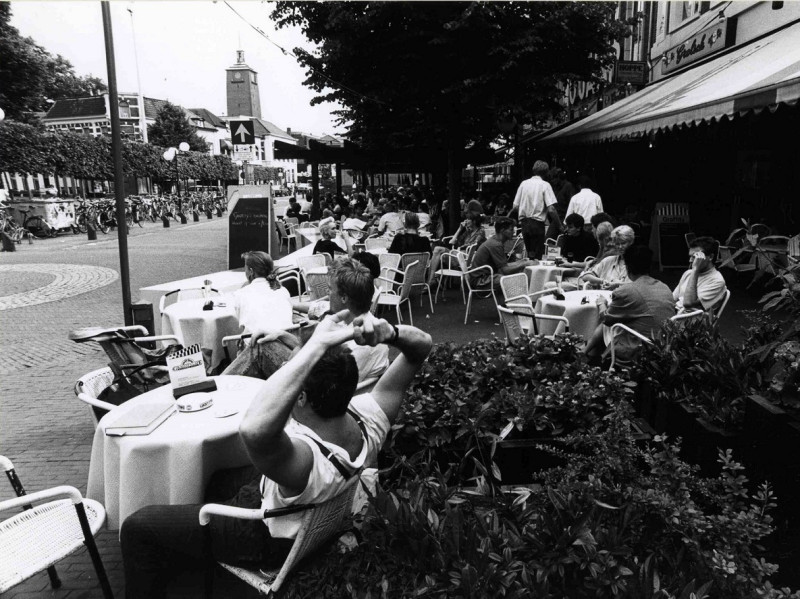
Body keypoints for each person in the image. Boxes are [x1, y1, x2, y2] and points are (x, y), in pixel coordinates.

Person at [121, 311, 433, 599]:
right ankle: (188, 551)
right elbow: (422, 345)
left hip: (261, 536)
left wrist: (313, 349)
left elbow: (254, 430)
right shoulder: (370, 416)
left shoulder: (305, 460)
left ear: (301, 397)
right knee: (217, 476)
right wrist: (389, 331)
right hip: (294, 508)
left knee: (137, 527)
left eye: (291, 372)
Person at [228, 257, 389, 388]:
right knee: (267, 340)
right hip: (314, 376)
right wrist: (282, 335)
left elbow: (321, 382)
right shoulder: (346, 323)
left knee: (261, 347)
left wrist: (289, 361)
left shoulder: (363, 339)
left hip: (312, 394)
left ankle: (216, 390)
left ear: (344, 297)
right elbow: (314, 348)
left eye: (330, 289)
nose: (327, 292)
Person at [584, 245, 675, 362]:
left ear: (627, 267)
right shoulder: (664, 286)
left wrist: (601, 302)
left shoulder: (626, 291)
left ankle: (587, 353)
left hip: (640, 348)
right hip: (665, 345)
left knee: (608, 322)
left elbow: (606, 319)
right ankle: (587, 352)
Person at [232, 251, 293, 335]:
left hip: (258, 344)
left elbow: (243, 327)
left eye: (245, 268)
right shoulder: (283, 290)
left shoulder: (241, 294)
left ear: (251, 271)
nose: (244, 271)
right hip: (287, 343)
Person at [511, 160, 563, 259]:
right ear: (546, 172)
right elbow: (551, 209)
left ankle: (530, 272)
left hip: (524, 223)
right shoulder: (545, 185)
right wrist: (559, 225)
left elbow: (515, 207)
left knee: (530, 253)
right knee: (537, 255)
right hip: (537, 224)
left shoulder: (523, 184)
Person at [471, 217, 536, 289]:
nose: (514, 232)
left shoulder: (495, 240)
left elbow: (504, 265)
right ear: (502, 230)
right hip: (481, 280)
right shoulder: (496, 244)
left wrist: (522, 262)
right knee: (518, 279)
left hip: (483, 276)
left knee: (518, 272)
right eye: (511, 229)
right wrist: (524, 264)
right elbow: (504, 270)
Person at [673, 236, 727, 313]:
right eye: (690, 257)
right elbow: (673, 299)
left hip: (689, 320)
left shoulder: (717, 281)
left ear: (710, 257)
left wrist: (695, 270)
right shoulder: (688, 273)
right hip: (674, 313)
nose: (690, 261)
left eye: (695, 257)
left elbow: (688, 303)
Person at [427, 215, 486, 285]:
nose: (465, 221)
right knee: (437, 254)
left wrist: (461, 247)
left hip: (466, 257)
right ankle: (433, 280)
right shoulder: (468, 232)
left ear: (474, 221)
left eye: (468, 219)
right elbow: (452, 242)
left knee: (437, 251)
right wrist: (460, 229)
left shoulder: (481, 231)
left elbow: (474, 243)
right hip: (458, 254)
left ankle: (431, 280)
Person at [580, 225, 636, 289]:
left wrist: (618, 284)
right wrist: (602, 281)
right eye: (617, 244)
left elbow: (641, 286)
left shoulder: (636, 263)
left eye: (623, 243)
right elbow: (586, 276)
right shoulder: (608, 260)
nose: (620, 247)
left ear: (631, 243)